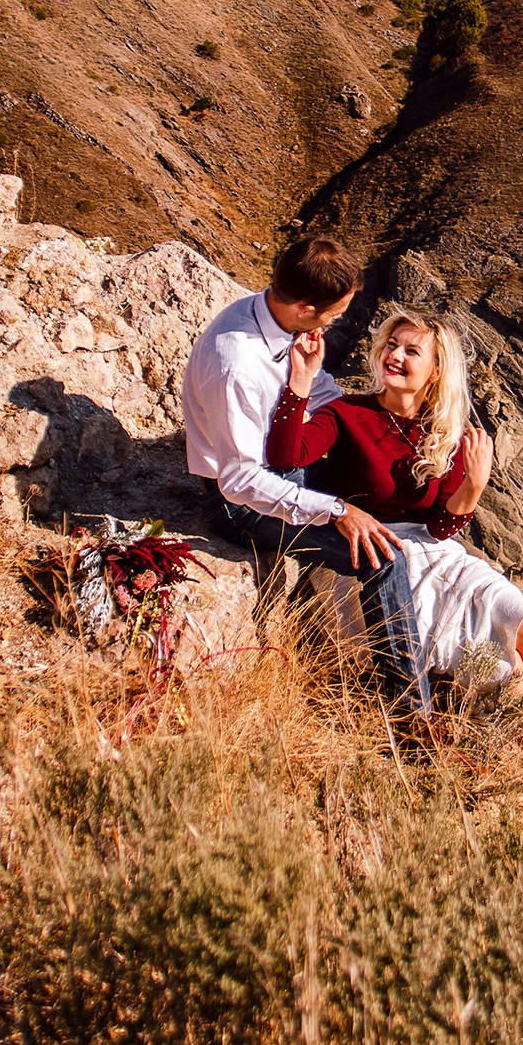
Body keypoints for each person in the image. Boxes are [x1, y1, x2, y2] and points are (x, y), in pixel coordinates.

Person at [265, 305, 523, 826]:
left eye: (412, 351)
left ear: (435, 372)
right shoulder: (346, 414)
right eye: (391, 345)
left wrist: (472, 489)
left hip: (438, 552)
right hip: (370, 550)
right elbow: (283, 454)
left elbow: (439, 528)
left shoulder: (445, 432)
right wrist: (300, 381)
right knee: (502, 666)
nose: (396, 355)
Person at [181, 236, 424, 708]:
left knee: (375, 485)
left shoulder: (272, 316)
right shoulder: (238, 366)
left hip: (286, 467)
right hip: (238, 505)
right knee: (381, 558)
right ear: (305, 307)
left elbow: (318, 392)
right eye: (333, 315)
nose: (336, 324)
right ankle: (410, 709)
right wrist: (335, 510)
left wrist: (385, 419)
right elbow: (240, 482)